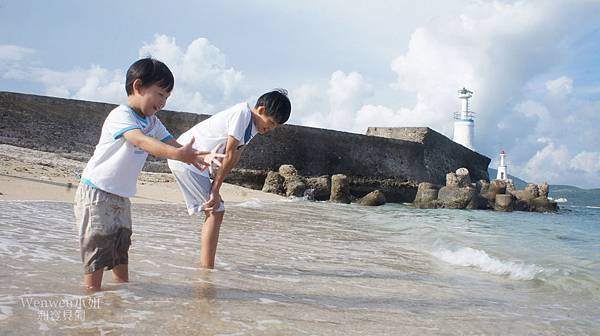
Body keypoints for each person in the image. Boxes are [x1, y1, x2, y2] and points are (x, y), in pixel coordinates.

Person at [74, 57, 223, 290]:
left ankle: (121, 298)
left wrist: (200, 157)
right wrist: (177, 155)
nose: (163, 102)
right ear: (138, 86)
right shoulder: (121, 116)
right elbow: (142, 141)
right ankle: (91, 300)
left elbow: (174, 143)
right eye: (160, 94)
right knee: (98, 251)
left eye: (167, 97)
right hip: (96, 193)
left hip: (121, 197)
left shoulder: (152, 121)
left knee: (121, 250)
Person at [167, 89, 291, 268]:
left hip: (195, 163)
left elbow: (235, 156)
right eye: (270, 123)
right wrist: (215, 190)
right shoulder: (242, 114)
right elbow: (230, 154)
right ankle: (207, 269)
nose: (269, 129)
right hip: (187, 159)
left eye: (274, 127)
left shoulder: (252, 126)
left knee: (216, 210)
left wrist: (216, 188)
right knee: (216, 210)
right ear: (261, 110)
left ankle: (206, 265)